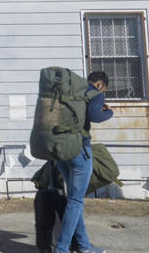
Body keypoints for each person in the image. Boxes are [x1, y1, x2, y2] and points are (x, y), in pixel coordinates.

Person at [53, 71, 113, 253]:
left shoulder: (71, 92)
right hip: (80, 151)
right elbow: (95, 116)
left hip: (61, 150)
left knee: (73, 199)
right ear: (101, 84)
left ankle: (84, 246)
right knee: (76, 201)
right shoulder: (96, 93)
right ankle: (62, 249)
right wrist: (109, 111)